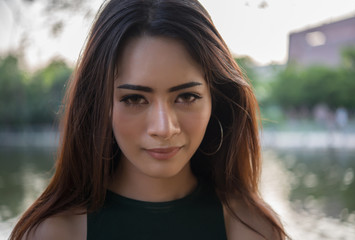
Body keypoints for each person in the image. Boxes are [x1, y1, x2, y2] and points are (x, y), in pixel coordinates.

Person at [10, 0, 287, 239]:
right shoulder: (53, 234)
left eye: (187, 97)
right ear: (99, 104)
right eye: (134, 99)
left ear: (217, 99)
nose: (164, 128)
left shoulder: (253, 230)